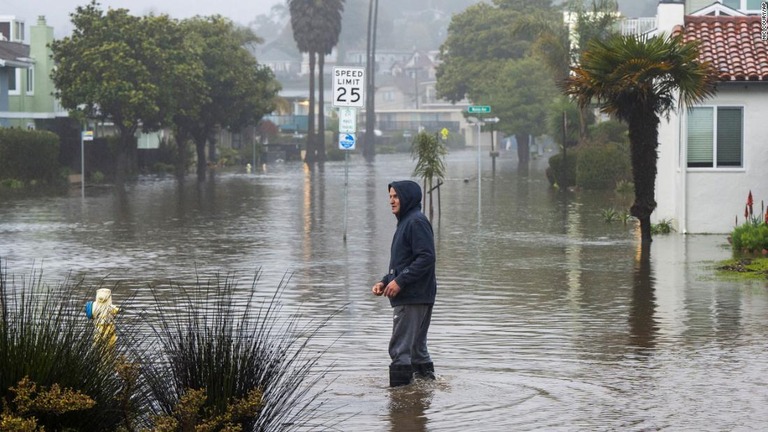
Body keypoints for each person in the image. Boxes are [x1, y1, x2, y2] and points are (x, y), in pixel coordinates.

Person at [372, 180, 437, 387]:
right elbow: (406, 261)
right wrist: (385, 281)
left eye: (396, 196)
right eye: (390, 197)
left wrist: (400, 281)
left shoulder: (415, 222)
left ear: (407, 198)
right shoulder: (407, 222)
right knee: (417, 350)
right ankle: (424, 394)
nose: (391, 201)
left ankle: (400, 405)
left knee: (400, 350)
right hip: (418, 295)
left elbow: (426, 257)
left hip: (411, 297)